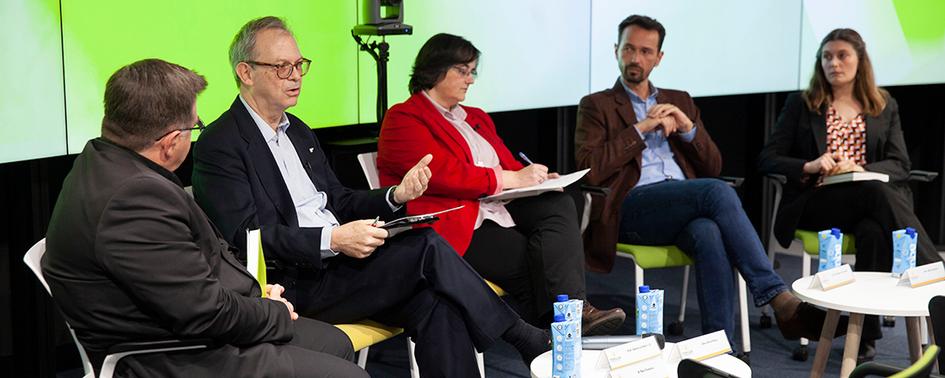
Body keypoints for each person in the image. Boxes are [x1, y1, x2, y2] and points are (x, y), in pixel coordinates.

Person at [192, 17, 549, 375]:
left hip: (343, 267)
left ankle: (522, 337)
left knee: (437, 303)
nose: (296, 76)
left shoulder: (298, 131)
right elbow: (247, 237)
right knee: (424, 244)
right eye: (283, 67)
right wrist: (332, 238)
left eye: (300, 65)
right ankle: (520, 335)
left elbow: (340, 201)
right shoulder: (221, 144)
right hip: (294, 283)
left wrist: (395, 194)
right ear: (246, 72)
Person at [42, 59, 366, 377]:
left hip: (191, 327)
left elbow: (188, 282)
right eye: (194, 127)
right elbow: (201, 312)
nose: (196, 133)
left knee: (335, 343)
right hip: (173, 354)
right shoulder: (133, 201)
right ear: (170, 144)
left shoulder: (104, 159)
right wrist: (271, 312)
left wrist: (257, 297)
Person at [575, 14, 837, 346]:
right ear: (616, 50)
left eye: (645, 51)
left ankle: (718, 348)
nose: (635, 59)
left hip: (682, 201)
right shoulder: (596, 105)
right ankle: (778, 298)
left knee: (708, 231)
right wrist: (641, 129)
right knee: (716, 191)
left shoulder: (679, 99)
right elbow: (590, 167)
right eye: (628, 49)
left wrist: (687, 128)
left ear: (659, 57)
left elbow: (712, 164)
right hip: (632, 207)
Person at [377, 33, 626, 335]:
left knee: (559, 202)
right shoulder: (404, 117)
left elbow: (508, 162)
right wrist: (509, 178)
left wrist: (536, 177)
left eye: (473, 71)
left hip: (497, 207)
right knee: (538, 262)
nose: (470, 80)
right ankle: (563, 332)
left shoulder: (475, 117)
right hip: (455, 223)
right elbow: (442, 173)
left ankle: (570, 317)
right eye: (462, 70)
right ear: (433, 69)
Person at [759, 28, 945, 361]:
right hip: (818, 202)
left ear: (860, 60)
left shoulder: (883, 105)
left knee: (874, 230)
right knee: (876, 192)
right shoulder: (803, 104)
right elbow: (769, 157)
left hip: (864, 200)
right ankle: (936, 270)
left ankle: (866, 336)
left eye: (842, 55)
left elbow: (900, 163)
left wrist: (857, 167)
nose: (834, 63)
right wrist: (811, 164)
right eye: (827, 56)